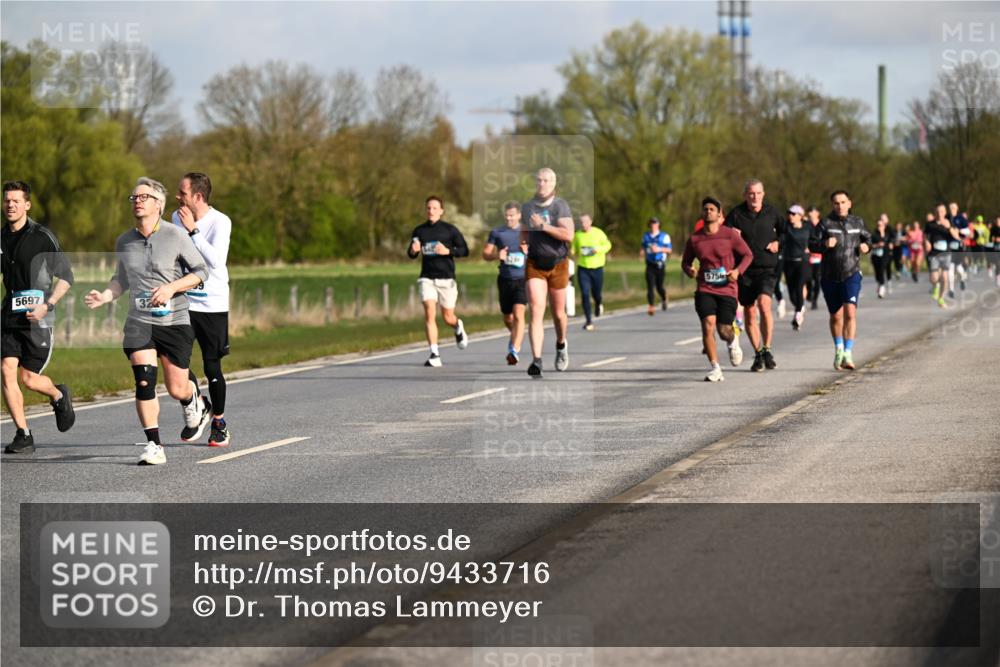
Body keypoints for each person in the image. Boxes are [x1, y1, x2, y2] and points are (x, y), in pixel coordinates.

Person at [84, 177, 211, 465]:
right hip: (139, 321)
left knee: (176, 387)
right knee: (144, 381)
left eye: (144, 197)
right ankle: (154, 444)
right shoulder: (124, 240)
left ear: (159, 204)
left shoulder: (175, 235)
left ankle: (195, 401)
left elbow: (201, 272)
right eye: (134, 197)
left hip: (174, 320)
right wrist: (105, 296)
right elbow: (121, 279)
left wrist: (170, 288)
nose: (137, 201)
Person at [1, 181, 76, 454]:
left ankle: (58, 395)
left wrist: (49, 304)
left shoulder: (42, 236)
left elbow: (67, 277)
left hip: (38, 318)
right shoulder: (0, 238)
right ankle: (23, 434)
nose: (10, 205)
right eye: (7, 200)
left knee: (29, 379)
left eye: (16, 201)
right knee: (7, 370)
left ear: (27, 205)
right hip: (9, 317)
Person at [171, 172, 233, 446]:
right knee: (174, 360)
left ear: (197, 196)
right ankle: (197, 401)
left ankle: (218, 422)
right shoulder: (175, 218)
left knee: (212, 366)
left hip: (213, 303)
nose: (177, 197)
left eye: (182, 192)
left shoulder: (220, 222)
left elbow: (216, 262)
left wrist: (193, 231)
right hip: (184, 302)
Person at [681, 197, 752, 382]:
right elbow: (686, 262)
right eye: (705, 209)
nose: (708, 212)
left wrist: (737, 271)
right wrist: (689, 270)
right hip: (705, 288)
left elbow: (747, 255)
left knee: (723, 330)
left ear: (720, 214)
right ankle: (715, 368)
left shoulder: (729, 235)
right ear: (702, 213)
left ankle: (732, 340)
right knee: (707, 326)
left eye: (712, 209)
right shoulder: (695, 239)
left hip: (727, 289)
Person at [724, 179, 784, 372]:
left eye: (758, 193)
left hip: (767, 268)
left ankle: (767, 348)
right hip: (744, 271)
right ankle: (758, 353)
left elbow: (786, 232)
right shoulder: (736, 214)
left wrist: (778, 243)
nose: (754, 197)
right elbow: (723, 237)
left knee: (764, 305)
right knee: (749, 312)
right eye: (751, 193)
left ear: (763, 194)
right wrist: (732, 236)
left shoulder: (772, 212)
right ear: (745, 195)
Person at [809, 190, 871, 371]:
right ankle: (839, 349)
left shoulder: (857, 222)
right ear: (832, 205)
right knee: (836, 316)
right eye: (836, 203)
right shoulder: (825, 223)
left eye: (843, 202)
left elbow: (868, 239)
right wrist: (824, 245)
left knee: (850, 313)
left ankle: (848, 353)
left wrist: (867, 247)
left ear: (849, 203)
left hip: (851, 273)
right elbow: (812, 244)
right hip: (829, 275)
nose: (840, 206)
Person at [521, 167, 574, 378]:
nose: (541, 184)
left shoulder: (560, 206)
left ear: (553, 184)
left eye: (546, 181)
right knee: (536, 309)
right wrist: (522, 242)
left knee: (559, 314)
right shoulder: (528, 207)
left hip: (558, 264)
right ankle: (537, 360)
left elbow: (568, 234)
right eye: (539, 180)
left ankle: (561, 345)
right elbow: (524, 228)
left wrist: (543, 226)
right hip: (535, 264)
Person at [407, 196, 470, 367]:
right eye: (428, 208)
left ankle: (457, 326)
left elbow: (465, 251)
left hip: (446, 278)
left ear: (441, 211)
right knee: (429, 311)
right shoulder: (419, 231)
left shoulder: (450, 230)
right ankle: (434, 353)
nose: (431, 211)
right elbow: (411, 253)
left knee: (448, 317)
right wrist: (413, 251)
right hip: (427, 277)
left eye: (435, 208)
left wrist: (448, 251)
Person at [482, 201, 528, 365]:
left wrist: (528, 252)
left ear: (519, 215)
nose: (509, 218)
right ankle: (516, 334)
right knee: (508, 318)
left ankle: (514, 350)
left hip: (522, 280)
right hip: (504, 280)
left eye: (512, 215)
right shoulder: (497, 232)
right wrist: (496, 255)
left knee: (518, 314)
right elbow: (485, 253)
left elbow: (540, 253)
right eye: (507, 215)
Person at [571, 213, 612, 331]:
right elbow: (573, 249)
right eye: (581, 222)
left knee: (596, 294)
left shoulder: (598, 233)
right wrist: (572, 252)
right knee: (584, 293)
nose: (582, 224)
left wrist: (597, 250)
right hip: (583, 268)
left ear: (590, 222)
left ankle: (599, 303)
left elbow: (608, 245)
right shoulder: (577, 235)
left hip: (597, 268)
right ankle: (588, 320)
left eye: (585, 222)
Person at [781, 205, 811, 330]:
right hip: (788, 262)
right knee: (792, 294)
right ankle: (799, 306)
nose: (791, 216)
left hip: (802, 262)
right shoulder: (785, 228)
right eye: (789, 214)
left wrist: (812, 247)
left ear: (800, 216)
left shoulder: (808, 228)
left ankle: (798, 313)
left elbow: (815, 240)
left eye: (794, 214)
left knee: (799, 287)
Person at [923, 205, 959, 309]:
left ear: (944, 212)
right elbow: (925, 235)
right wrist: (926, 242)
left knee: (944, 277)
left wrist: (949, 227)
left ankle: (941, 298)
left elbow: (956, 236)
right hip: (934, 253)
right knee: (934, 277)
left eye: (942, 211)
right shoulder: (930, 224)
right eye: (938, 211)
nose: (940, 213)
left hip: (946, 253)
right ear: (935, 213)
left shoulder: (949, 223)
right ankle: (936, 286)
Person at [641, 217, 672, 315]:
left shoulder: (664, 236)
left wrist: (659, 249)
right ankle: (651, 306)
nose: (653, 225)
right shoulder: (646, 236)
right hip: (650, 264)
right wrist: (642, 252)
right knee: (650, 286)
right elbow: (643, 247)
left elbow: (669, 250)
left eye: (655, 223)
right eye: (652, 223)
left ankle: (664, 297)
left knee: (659, 287)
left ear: (658, 224)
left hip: (660, 264)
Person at [870, 214, 893, 299]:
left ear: (884, 226)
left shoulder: (888, 234)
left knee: (882, 269)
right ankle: (880, 284)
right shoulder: (874, 235)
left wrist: (891, 244)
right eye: (878, 225)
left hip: (885, 255)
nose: (879, 227)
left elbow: (892, 240)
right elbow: (870, 245)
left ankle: (882, 288)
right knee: (877, 273)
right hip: (876, 256)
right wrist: (877, 245)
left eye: (881, 225)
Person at [805, 206, 823, 310]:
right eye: (809, 211)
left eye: (812, 211)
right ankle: (809, 293)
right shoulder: (806, 225)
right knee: (808, 278)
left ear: (817, 213)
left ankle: (814, 300)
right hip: (808, 256)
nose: (810, 213)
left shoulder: (823, 225)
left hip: (820, 257)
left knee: (817, 279)